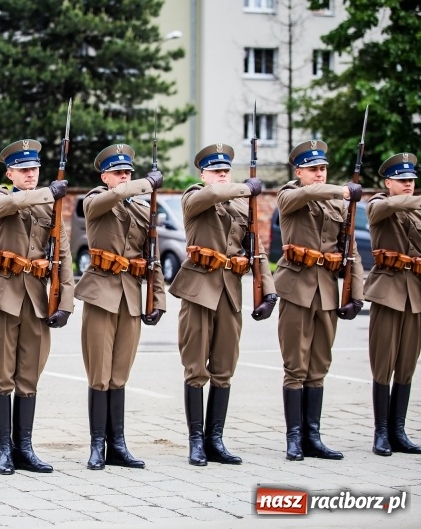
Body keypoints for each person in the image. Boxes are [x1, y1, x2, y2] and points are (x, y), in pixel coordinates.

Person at [169, 143, 276, 466]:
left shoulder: (244, 207)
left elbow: (256, 251)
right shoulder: (194, 197)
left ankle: (215, 439)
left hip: (230, 292)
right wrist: (243, 188)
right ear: (203, 174)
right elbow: (209, 197)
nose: (222, 176)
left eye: (226, 171)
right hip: (199, 290)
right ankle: (196, 441)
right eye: (215, 171)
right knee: (195, 369)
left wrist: (267, 290)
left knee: (224, 368)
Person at [0, 139, 75, 475]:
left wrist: (65, 300)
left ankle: (25, 448)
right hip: (3, 296)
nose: (31, 174)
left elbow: (62, 257)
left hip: (36, 298)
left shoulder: (51, 207)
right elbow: (5, 208)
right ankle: (4, 450)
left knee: (29, 374)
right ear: (10, 173)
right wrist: (51, 192)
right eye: (23, 169)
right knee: (1, 375)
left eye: (34, 168)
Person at [74, 144, 166, 470]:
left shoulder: (142, 209)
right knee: (99, 374)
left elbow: (151, 256)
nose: (124, 177)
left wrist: (158, 299)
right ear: (104, 176)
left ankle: (118, 444)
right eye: (118, 173)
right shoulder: (95, 200)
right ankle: (97, 445)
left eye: (128, 171)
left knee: (119, 375)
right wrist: (145, 183)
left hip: (130, 297)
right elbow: (108, 200)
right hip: (101, 295)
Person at [275, 140, 363, 461]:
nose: (319, 174)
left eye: (323, 168)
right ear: (298, 172)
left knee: (319, 366)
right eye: (313, 169)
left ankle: (313, 436)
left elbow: (349, 251)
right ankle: (294, 438)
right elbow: (307, 194)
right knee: (295, 365)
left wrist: (357, 293)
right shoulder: (290, 195)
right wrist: (340, 189)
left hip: (326, 290)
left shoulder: (338, 206)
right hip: (297, 288)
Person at [364, 152, 421, 457]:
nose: (408, 185)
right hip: (388, 290)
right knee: (383, 364)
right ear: (388, 183)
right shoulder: (378, 204)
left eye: (411, 180)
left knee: (407, 365)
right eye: (401, 180)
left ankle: (398, 430)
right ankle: (381, 432)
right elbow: (383, 210)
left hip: (416, 294)